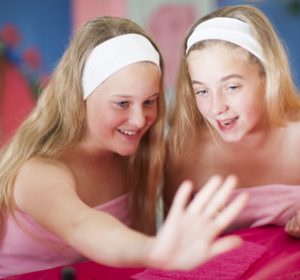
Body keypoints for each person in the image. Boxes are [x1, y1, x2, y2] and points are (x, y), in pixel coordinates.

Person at [0, 16, 247, 278]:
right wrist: (154, 249)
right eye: (122, 103)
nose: (140, 120)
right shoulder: (38, 171)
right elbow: (81, 225)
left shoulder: (140, 153)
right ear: (79, 97)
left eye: (149, 101)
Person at [164, 4, 300, 235]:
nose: (217, 107)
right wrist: (191, 230)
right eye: (203, 91)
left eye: (232, 87)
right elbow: (171, 243)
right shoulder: (182, 153)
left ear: (267, 76)